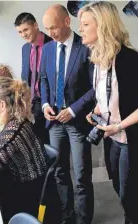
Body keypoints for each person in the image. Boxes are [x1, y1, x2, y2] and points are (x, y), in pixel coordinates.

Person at [78, 2, 138, 223]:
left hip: (129, 139)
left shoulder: (128, 59)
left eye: (85, 24)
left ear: (103, 26)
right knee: (119, 189)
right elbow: (104, 95)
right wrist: (96, 110)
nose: (80, 29)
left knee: (130, 197)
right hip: (112, 138)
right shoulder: (99, 61)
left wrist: (119, 126)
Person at [41, 4, 94, 224]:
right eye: (47, 28)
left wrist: (73, 110)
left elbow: (95, 88)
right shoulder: (48, 48)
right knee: (59, 173)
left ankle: (83, 220)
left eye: (53, 27)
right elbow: (44, 80)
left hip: (77, 121)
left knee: (81, 175)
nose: (50, 33)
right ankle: (67, 218)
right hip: (55, 123)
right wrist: (45, 104)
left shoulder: (86, 47)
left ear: (66, 22)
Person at [0, 77, 48, 224]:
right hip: (34, 190)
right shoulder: (19, 121)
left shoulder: (11, 134)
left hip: (25, 200)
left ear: (3, 105)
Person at [14, 12, 52, 143]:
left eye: (26, 29)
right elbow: (25, 75)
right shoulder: (25, 48)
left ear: (35, 25)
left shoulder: (52, 44)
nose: (23, 35)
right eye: (19, 32)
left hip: (49, 100)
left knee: (48, 140)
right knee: (35, 139)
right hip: (32, 101)